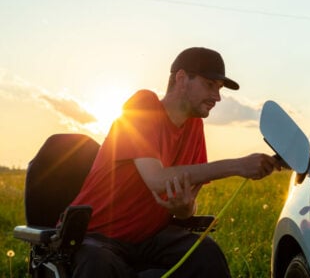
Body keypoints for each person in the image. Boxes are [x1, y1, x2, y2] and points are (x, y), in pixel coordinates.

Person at [69, 47, 282, 278]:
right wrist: (237, 166)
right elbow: (157, 179)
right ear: (181, 78)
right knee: (97, 263)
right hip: (98, 237)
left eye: (219, 89)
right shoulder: (142, 105)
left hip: (149, 239)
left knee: (205, 253)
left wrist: (183, 210)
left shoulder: (195, 127)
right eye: (210, 85)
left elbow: (188, 205)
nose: (217, 97)